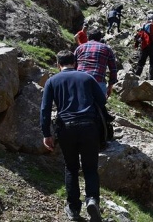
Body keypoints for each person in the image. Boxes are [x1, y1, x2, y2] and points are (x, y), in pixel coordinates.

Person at [40, 50, 104, 222]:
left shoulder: (52, 81)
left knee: (71, 168)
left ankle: (74, 208)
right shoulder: (87, 78)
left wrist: (46, 134)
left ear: (57, 64)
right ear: (75, 63)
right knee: (90, 168)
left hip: (66, 128)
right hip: (89, 127)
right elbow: (102, 100)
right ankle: (92, 200)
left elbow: (45, 110)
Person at [74, 28, 118, 97]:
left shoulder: (80, 48)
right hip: (98, 82)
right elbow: (113, 69)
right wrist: (110, 87)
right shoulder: (107, 49)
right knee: (98, 107)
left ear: (88, 37)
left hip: (80, 80)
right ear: (100, 38)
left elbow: (73, 65)